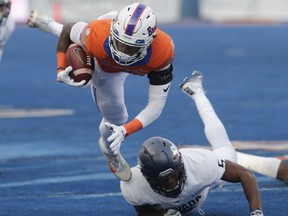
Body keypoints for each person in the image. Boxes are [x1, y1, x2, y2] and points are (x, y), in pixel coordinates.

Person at [26, 3, 175, 181]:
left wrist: (126, 131)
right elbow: (68, 30)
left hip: (104, 49)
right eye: (120, 43)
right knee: (116, 119)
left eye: (131, 47)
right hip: (106, 69)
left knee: (120, 126)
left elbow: (156, 104)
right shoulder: (98, 34)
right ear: (113, 32)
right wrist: (60, 68)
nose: (123, 52)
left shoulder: (163, 51)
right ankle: (108, 149)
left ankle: (49, 24)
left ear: (149, 42)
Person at [118, 71, 264, 216]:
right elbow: (144, 212)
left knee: (225, 149)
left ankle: (197, 92)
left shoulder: (201, 164)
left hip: (200, 186)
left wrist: (256, 212)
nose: (170, 182)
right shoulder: (136, 185)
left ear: (181, 166)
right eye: (162, 179)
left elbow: (244, 174)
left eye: (173, 175)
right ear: (148, 178)